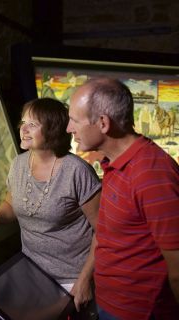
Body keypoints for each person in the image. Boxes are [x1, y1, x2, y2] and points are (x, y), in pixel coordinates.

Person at [0, 97, 101, 312]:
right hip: (33, 273)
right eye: (23, 123)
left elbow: (104, 230)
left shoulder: (77, 171)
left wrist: (85, 280)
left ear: (53, 129)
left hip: (72, 278)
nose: (24, 129)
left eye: (33, 124)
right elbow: (10, 204)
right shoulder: (18, 164)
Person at [67, 77, 179, 320]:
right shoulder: (115, 164)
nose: (68, 128)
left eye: (74, 120)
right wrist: (86, 279)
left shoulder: (153, 174)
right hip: (110, 304)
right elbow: (108, 233)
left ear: (103, 123)